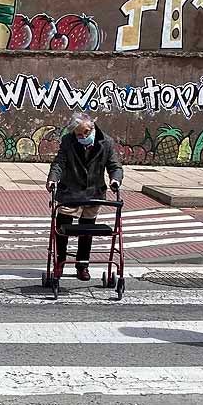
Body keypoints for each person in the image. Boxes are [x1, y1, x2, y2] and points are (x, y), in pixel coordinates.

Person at [46, 112, 124, 281]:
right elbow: (59, 163)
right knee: (62, 230)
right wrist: (53, 180)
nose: (83, 136)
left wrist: (115, 180)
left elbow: (115, 166)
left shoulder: (106, 142)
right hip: (70, 192)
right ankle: (60, 262)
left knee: (87, 231)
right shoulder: (68, 141)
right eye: (79, 134)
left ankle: (82, 266)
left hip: (93, 193)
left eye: (86, 132)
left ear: (92, 127)